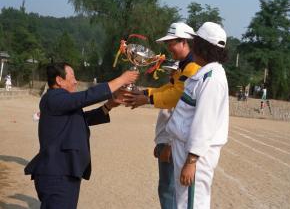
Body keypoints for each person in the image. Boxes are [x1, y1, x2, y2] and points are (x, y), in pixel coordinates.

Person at [24, 62, 138, 209]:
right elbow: (85, 97)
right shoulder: (53, 98)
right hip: (57, 174)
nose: (76, 81)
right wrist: (121, 80)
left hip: (65, 171)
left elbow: (81, 119)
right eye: (72, 77)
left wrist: (109, 105)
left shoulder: (61, 103)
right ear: (59, 80)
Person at [124, 22, 200, 209]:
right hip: (176, 140)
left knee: (172, 191)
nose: (168, 48)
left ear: (183, 42)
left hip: (181, 142)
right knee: (169, 190)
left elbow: (176, 96)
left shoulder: (192, 68)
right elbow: (170, 88)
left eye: (172, 43)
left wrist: (148, 99)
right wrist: (145, 93)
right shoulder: (184, 66)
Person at [166, 22, 229, 208]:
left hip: (195, 156)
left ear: (203, 47)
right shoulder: (204, 74)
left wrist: (191, 161)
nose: (192, 48)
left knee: (192, 204)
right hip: (184, 149)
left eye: (196, 43)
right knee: (183, 203)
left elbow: (204, 124)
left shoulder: (212, 79)